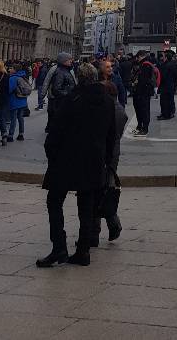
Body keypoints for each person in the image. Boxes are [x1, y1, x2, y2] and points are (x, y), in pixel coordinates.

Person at [37, 63, 116, 268]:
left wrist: (51, 155)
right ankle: (83, 251)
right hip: (93, 161)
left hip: (65, 160)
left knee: (54, 202)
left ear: (79, 78)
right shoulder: (108, 101)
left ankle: (59, 248)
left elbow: (55, 132)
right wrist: (106, 160)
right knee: (87, 206)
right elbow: (111, 136)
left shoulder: (72, 99)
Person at [90, 81, 127, 246]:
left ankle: (104, 229)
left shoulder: (111, 110)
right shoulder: (118, 108)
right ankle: (108, 227)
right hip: (111, 155)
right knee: (103, 191)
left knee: (99, 192)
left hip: (106, 156)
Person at [42, 52, 76, 131]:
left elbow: (73, 79)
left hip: (62, 95)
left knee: (56, 112)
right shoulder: (54, 69)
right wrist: (43, 93)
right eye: (69, 59)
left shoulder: (70, 69)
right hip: (53, 95)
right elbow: (47, 80)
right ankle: (50, 126)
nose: (71, 61)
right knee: (51, 111)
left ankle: (52, 126)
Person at [130, 51, 157, 137]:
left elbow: (143, 80)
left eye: (138, 57)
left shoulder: (145, 65)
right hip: (142, 92)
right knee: (141, 110)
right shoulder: (145, 64)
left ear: (141, 56)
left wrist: (137, 86)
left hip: (143, 92)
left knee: (144, 110)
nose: (137, 59)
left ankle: (144, 128)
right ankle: (141, 127)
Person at [7, 63, 30, 141]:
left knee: (13, 118)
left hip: (15, 100)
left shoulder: (13, 78)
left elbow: (9, 90)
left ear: (14, 70)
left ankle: (10, 135)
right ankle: (21, 134)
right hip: (23, 100)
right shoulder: (23, 76)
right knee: (20, 118)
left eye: (11, 68)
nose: (9, 70)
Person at [157, 51, 177, 120]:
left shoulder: (166, 65)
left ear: (166, 57)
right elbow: (176, 74)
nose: (162, 58)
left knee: (164, 100)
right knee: (170, 99)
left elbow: (163, 76)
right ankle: (170, 112)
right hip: (171, 84)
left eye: (163, 57)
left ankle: (165, 114)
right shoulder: (173, 64)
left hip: (165, 85)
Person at [0, 58, 10, 146]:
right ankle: (4, 136)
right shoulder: (6, 76)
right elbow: (8, 89)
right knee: (2, 118)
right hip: (3, 100)